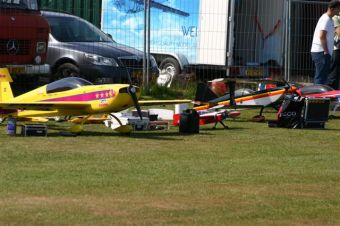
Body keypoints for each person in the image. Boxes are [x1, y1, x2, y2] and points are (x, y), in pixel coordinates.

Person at [311, 0, 340, 85]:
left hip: (324, 52)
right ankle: (316, 97)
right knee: (320, 77)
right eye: (338, 8)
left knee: (323, 77)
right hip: (321, 52)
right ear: (332, 8)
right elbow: (322, 36)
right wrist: (326, 51)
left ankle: (320, 96)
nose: (339, 11)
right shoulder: (325, 19)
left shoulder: (330, 19)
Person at [328, 15, 340, 90]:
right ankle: (331, 94)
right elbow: (339, 31)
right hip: (337, 49)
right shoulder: (336, 17)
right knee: (334, 74)